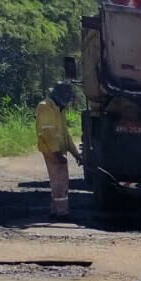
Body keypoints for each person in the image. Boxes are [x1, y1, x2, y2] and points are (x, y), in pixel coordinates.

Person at [35, 82, 82, 220]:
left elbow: (65, 135)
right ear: (59, 94)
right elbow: (47, 133)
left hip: (59, 150)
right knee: (59, 182)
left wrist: (76, 154)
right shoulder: (45, 107)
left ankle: (55, 210)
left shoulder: (58, 109)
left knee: (61, 181)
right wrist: (57, 153)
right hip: (51, 150)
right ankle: (62, 213)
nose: (68, 99)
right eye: (66, 96)